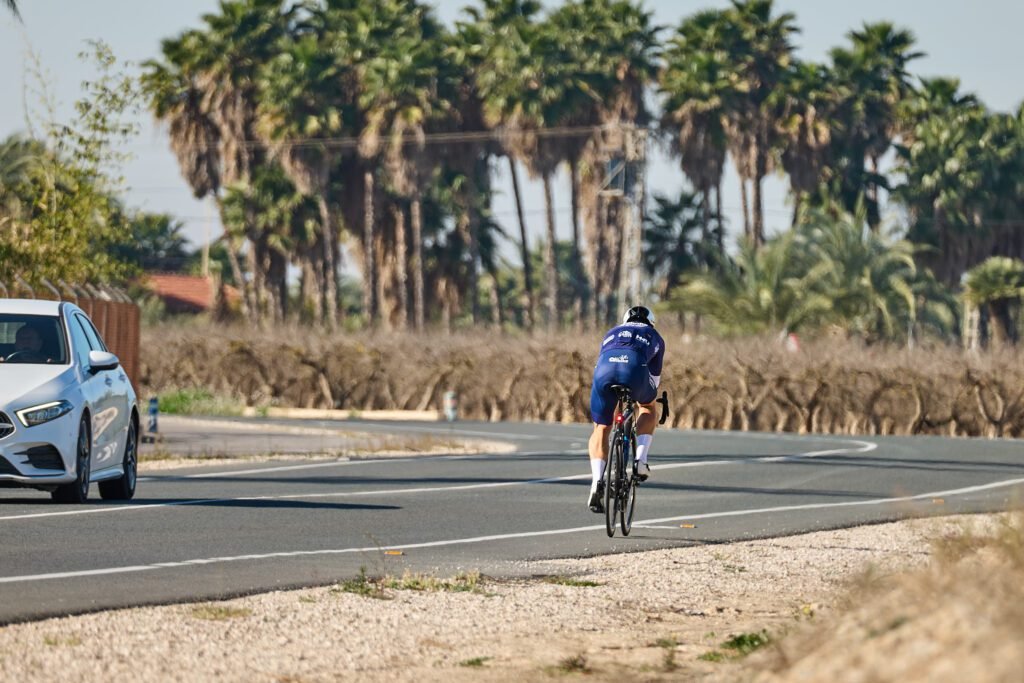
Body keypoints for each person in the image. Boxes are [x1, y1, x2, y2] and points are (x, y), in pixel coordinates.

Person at [586, 305, 665, 513]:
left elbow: (602, 359)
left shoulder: (611, 332)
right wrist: (646, 398)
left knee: (601, 427)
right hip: (634, 370)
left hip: (604, 372)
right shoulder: (654, 335)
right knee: (648, 407)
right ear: (651, 322)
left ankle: (596, 482)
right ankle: (640, 460)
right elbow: (654, 380)